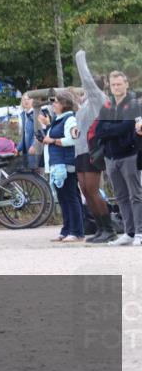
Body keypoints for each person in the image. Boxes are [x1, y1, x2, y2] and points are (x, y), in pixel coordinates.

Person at [95, 70, 142, 246]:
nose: (116, 87)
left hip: (130, 155)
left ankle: (140, 232)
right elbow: (99, 130)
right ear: (110, 86)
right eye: (113, 84)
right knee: (121, 196)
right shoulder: (106, 106)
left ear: (126, 84)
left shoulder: (134, 105)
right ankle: (129, 232)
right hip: (111, 157)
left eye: (119, 84)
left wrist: (110, 128)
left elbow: (126, 127)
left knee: (135, 195)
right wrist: (113, 128)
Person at [75, 51, 116, 244]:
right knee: (85, 190)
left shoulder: (98, 99)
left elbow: (87, 80)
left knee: (92, 189)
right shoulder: (85, 105)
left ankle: (109, 229)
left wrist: (79, 59)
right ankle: (100, 228)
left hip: (92, 150)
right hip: (80, 151)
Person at [41, 90, 83, 242]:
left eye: (56, 102)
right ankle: (66, 229)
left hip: (66, 164)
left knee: (70, 196)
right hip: (57, 164)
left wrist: (52, 140)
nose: (53, 104)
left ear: (64, 104)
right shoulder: (58, 119)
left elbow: (72, 140)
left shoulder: (70, 119)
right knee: (63, 198)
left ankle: (76, 231)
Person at [16, 93, 39, 171]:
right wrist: (18, 149)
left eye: (28, 99)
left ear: (33, 100)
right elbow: (25, 135)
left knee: (37, 177)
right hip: (27, 151)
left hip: (35, 151)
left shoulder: (36, 113)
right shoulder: (24, 115)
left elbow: (41, 132)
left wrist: (34, 146)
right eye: (24, 99)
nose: (26, 101)